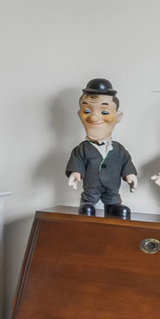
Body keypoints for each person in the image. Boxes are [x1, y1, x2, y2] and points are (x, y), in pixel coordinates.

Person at [64, 80, 138, 217]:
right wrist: (75, 173)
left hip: (112, 191)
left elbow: (126, 162)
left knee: (118, 210)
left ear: (118, 116)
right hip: (90, 191)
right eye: (87, 111)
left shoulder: (119, 149)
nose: (93, 117)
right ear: (79, 114)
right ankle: (86, 207)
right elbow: (77, 163)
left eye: (104, 112)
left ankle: (113, 208)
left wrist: (130, 175)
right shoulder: (81, 149)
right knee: (87, 208)